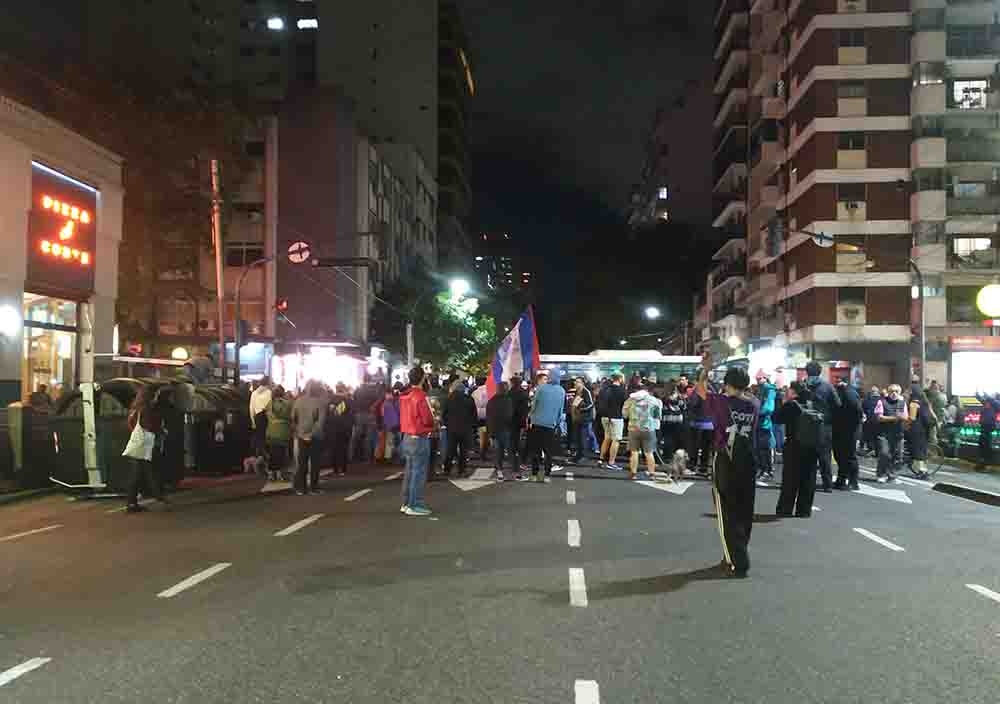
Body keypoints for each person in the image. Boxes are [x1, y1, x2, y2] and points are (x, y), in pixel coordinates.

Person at [695, 353, 758, 578]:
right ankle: (738, 551)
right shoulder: (754, 404)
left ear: (727, 384)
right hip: (748, 459)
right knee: (744, 509)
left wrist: (705, 369)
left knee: (725, 510)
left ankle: (737, 561)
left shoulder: (721, 402)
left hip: (726, 458)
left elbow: (700, 389)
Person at [122, 386, 165, 512]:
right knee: (141, 473)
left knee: (140, 472)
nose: (157, 397)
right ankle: (135, 501)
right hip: (143, 445)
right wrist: (160, 429)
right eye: (155, 395)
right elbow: (150, 426)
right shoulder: (146, 409)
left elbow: (131, 425)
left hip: (137, 443)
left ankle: (136, 501)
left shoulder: (135, 408)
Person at [399, 367, 435, 516]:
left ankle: (406, 503)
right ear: (422, 378)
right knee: (418, 472)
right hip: (419, 437)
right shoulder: (420, 396)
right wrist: (435, 423)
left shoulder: (404, 396)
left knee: (409, 471)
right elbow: (427, 419)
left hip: (406, 436)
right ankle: (415, 504)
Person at [801, 360, 841, 493]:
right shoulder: (827, 386)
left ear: (807, 372)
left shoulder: (803, 386)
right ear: (820, 372)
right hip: (824, 426)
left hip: (806, 426)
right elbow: (837, 404)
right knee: (825, 457)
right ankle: (827, 484)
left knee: (808, 457)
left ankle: (808, 483)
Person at [522, 369, 566, 482]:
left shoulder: (541, 388)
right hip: (551, 425)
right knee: (548, 452)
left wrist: (531, 416)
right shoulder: (561, 391)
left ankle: (534, 475)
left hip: (537, 423)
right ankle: (547, 475)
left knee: (536, 450)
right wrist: (556, 423)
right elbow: (560, 410)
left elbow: (534, 405)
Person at [774, 382, 811, 517]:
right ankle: (804, 510)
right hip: (811, 446)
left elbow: (776, 418)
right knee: (807, 479)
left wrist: (783, 402)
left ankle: (785, 509)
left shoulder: (791, 405)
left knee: (790, 478)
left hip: (794, 445)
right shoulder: (811, 404)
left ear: (794, 392)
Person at [622, 381, 665, 481]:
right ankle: (651, 474)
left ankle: (633, 474)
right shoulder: (654, 400)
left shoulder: (630, 400)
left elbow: (624, 414)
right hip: (648, 429)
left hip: (633, 428)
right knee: (649, 453)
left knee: (634, 452)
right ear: (647, 390)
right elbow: (657, 416)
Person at [291, 381, 328, 495]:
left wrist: (298, 432)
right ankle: (314, 487)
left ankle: (301, 488)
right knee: (315, 463)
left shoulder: (298, 401)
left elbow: (293, 418)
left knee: (302, 463)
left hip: (301, 436)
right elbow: (320, 422)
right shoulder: (320, 403)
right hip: (315, 437)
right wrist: (311, 434)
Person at [442, 379, 477, 477]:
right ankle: (462, 470)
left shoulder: (449, 399)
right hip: (465, 429)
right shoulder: (469, 399)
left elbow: (444, 414)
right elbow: (474, 415)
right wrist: (472, 427)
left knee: (450, 449)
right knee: (463, 451)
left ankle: (447, 469)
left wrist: (447, 424)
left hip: (452, 429)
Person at [832, 380, 862, 491]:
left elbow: (857, 410)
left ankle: (853, 482)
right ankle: (842, 479)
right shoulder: (843, 392)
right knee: (841, 455)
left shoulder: (849, 393)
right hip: (842, 428)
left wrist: (854, 424)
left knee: (848, 455)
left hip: (849, 429)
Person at [875, 384, 908, 483]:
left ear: (899, 393)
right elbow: (879, 417)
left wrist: (900, 417)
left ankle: (892, 475)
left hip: (898, 433)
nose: (894, 393)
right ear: (888, 392)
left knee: (897, 455)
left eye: (896, 391)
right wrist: (895, 418)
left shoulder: (902, 403)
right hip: (884, 434)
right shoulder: (882, 402)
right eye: (891, 391)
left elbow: (906, 417)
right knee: (884, 454)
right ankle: (881, 474)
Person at [596, 373, 627, 470]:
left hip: (604, 417)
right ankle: (611, 462)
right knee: (616, 439)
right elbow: (625, 404)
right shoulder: (622, 391)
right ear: (620, 379)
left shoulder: (605, 389)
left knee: (607, 438)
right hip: (616, 417)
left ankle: (601, 459)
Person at [486, 381, 514, 480]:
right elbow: (509, 416)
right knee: (510, 450)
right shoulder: (508, 400)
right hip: (505, 428)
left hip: (494, 429)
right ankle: (514, 471)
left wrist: (489, 431)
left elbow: (488, 416)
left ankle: (499, 470)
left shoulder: (491, 400)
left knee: (498, 451)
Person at [265, 385, 292, 481]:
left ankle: (271, 473)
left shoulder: (269, 404)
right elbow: (291, 417)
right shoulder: (287, 404)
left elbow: (266, 417)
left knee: (272, 453)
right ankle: (280, 474)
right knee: (281, 453)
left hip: (271, 431)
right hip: (283, 432)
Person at [327, 383, 355, 477]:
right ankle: (343, 469)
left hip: (332, 428)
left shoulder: (330, 400)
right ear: (343, 389)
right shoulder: (349, 401)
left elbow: (327, 415)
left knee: (333, 448)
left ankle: (335, 469)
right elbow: (352, 415)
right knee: (343, 448)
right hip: (345, 428)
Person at [907, 384, 934, 478]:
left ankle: (921, 471)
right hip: (925, 429)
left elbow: (912, 418)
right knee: (922, 450)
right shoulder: (925, 402)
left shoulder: (914, 403)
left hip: (916, 429)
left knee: (917, 451)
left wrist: (905, 420)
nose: (909, 392)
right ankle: (924, 471)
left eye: (910, 391)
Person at [754, 371, 777, 481]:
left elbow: (769, 408)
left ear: (765, 378)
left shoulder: (769, 390)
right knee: (760, 448)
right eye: (756, 378)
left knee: (764, 448)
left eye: (759, 378)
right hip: (759, 423)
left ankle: (767, 471)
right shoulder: (760, 389)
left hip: (764, 423)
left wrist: (757, 412)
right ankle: (763, 470)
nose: (757, 380)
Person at [249, 376, 273, 461]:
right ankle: (265, 460)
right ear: (268, 383)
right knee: (265, 440)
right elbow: (270, 409)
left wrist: (253, 422)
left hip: (257, 417)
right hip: (265, 418)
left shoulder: (254, 393)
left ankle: (257, 458)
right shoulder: (269, 393)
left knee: (258, 439)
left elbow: (251, 409)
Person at [661, 383, 686, 459]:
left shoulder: (664, 397)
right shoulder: (680, 398)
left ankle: (667, 454)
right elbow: (683, 407)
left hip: (667, 419)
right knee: (675, 438)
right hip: (678, 420)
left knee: (667, 438)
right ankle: (673, 454)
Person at [509, 375, 530, 462]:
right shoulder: (524, 393)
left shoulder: (509, 393)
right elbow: (526, 407)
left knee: (512, 438)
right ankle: (519, 455)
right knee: (519, 438)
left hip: (511, 418)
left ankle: (513, 454)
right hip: (521, 418)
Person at [975, 392, 997, 469]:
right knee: (982, 446)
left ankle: (987, 463)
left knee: (987, 446)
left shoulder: (995, 406)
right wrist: (977, 394)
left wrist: (987, 395)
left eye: (987, 402)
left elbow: (993, 401)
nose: (986, 403)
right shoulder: (987, 406)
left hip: (988, 429)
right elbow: (981, 399)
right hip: (983, 428)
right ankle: (982, 462)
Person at [381, 386, 402, 463]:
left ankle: (388, 457)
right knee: (397, 442)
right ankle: (398, 457)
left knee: (390, 442)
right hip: (396, 424)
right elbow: (400, 412)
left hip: (390, 425)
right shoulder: (396, 402)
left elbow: (383, 414)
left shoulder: (385, 403)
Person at [861, 386, 883, 457]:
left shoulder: (866, 400)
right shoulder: (882, 400)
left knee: (869, 436)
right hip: (879, 421)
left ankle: (871, 449)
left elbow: (862, 409)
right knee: (877, 436)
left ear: (871, 392)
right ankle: (877, 452)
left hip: (869, 420)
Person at [472, 380, 490, 460]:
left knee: (482, 434)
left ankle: (482, 451)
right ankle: (483, 451)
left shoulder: (475, 393)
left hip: (479, 417)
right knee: (486, 435)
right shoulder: (489, 391)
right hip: (488, 416)